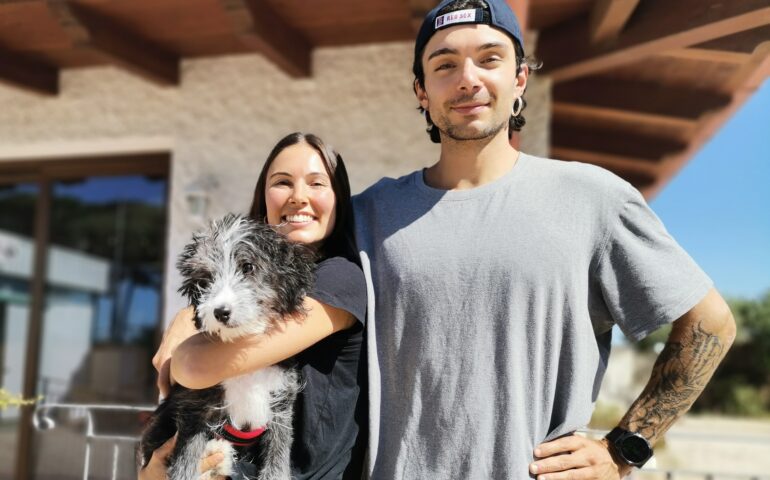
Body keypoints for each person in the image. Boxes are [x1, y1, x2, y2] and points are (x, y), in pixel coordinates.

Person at [351, 0, 736, 479]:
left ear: (519, 80)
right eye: (445, 64)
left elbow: (712, 325)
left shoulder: (593, 198)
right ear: (422, 91)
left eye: (490, 59)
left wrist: (624, 449)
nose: (468, 78)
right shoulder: (366, 214)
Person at [139, 132, 367, 480]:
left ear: (339, 198)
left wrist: (187, 326)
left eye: (317, 183)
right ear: (264, 194)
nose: (298, 197)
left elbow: (192, 366)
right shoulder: (238, 284)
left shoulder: (339, 279)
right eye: (282, 182)